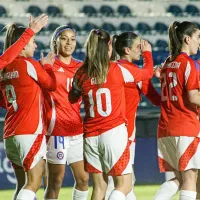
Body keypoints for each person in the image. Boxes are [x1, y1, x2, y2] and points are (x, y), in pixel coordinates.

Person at [69, 29, 154, 200]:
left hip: (91, 135)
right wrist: (147, 54)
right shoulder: (117, 69)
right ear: (109, 47)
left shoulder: (81, 72)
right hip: (113, 132)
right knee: (124, 185)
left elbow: (72, 98)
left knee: (99, 188)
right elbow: (147, 73)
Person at [1, 22, 56, 200]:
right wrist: (46, 66)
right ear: (23, 44)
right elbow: (51, 85)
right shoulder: (29, 64)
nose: (35, 45)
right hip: (30, 131)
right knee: (33, 183)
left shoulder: (5, 70)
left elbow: (4, 102)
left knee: (21, 184)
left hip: (10, 133)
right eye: (32, 41)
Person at [104, 32, 161, 200]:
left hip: (103, 129)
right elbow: (156, 99)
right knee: (120, 182)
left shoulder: (110, 67)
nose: (141, 49)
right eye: (138, 46)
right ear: (127, 50)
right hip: (124, 131)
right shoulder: (134, 72)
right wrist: (148, 56)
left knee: (116, 180)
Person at [153, 21, 200, 200]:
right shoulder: (189, 64)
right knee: (190, 179)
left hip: (165, 129)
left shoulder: (168, 62)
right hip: (185, 128)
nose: (199, 42)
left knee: (179, 178)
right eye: (198, 37)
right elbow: (193, 97)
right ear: (187, 39)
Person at [43, 25, 89, 200]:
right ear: (55, 41)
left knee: (83, 179)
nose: (69, 43)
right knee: (56, 181)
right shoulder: (49, 64)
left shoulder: (81, 66)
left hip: (76, 129)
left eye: (72, 39)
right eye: (64, 38)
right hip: (56, 130)